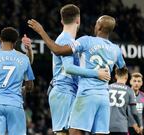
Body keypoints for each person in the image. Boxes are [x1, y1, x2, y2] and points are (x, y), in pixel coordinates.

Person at [28, 15, 126, 135]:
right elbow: (122, 69)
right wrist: (114, 77)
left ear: (99, 27)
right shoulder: (116, 49)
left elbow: (58, 50)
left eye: (96, 23)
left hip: (87, 94)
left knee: (74, 130)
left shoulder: (86, 40)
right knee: (101, 132)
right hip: (104, 97)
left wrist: (41, 31)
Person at [42, 4, 110, 135]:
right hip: (63, 91)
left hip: (69, 91)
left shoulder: (72, 41)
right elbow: (68, 68)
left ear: (62, 21)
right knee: (64, 132)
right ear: (78, 20)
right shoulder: (65, 39)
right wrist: (96, 73)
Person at [109, 67, 141, 135]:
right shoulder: (129, 90)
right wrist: (140, 124)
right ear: (126, 77)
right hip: (121, 127)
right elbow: (134, 112)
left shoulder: (107, 88)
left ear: (116, 76)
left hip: (107, 126)